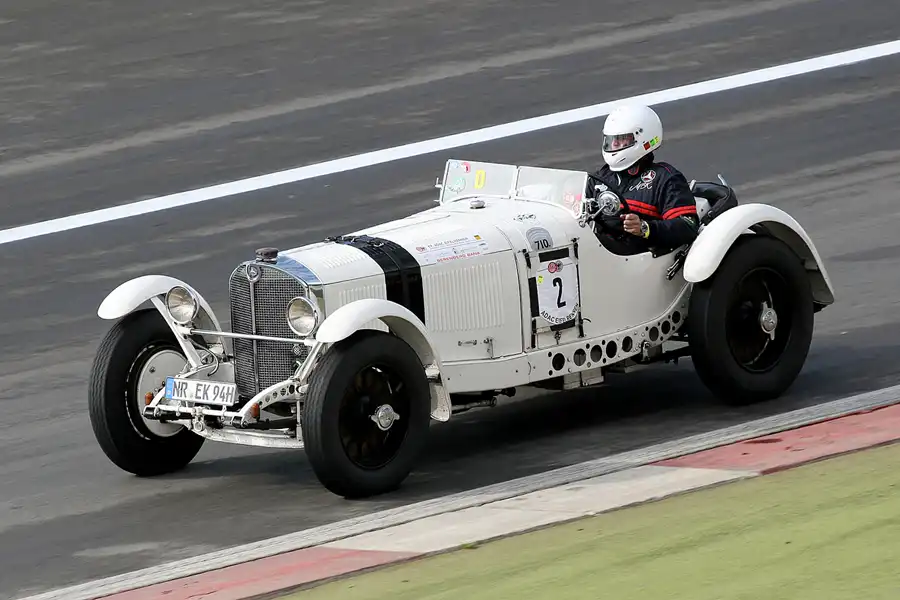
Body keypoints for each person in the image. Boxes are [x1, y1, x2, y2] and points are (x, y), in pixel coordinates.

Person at [584, 104, 699, 252]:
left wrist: (645, 228)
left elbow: (688, 225)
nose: (614, 144)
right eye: (612, 140)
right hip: (600, 252)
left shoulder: (665, 178)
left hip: (636, 258)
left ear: (643, 138)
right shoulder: (600, 178)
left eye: (621, 139)